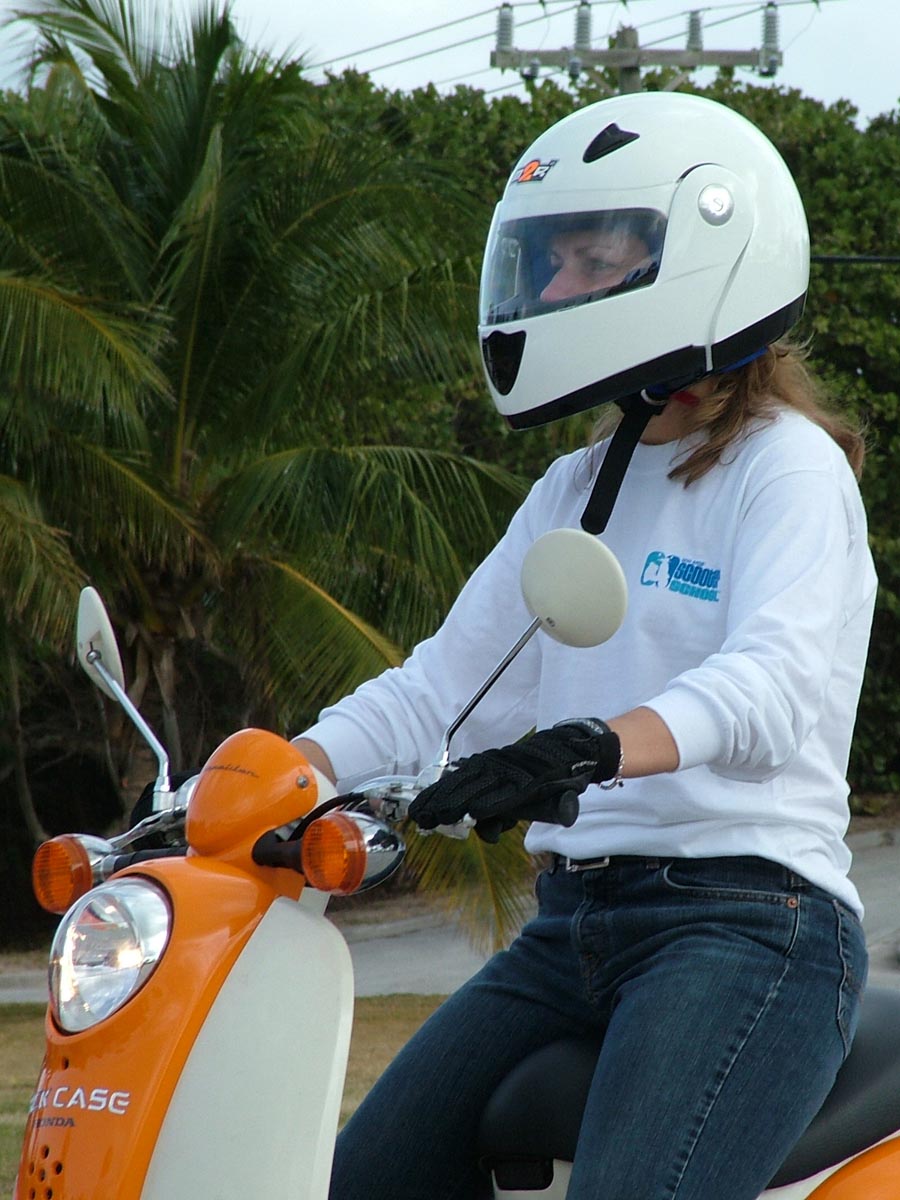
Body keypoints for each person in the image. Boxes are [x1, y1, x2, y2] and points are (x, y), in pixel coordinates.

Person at [294, 91, 877, 1200]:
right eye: (549, 263)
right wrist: (278, 772)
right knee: (365, 1178)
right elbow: (445, 691)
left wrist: (590, 747)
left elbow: (771, 690)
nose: (553, 290)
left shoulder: (786, 468)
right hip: (571, 924)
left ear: (702, 260)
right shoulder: (575, 486)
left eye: (590, 261)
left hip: (749, 919)